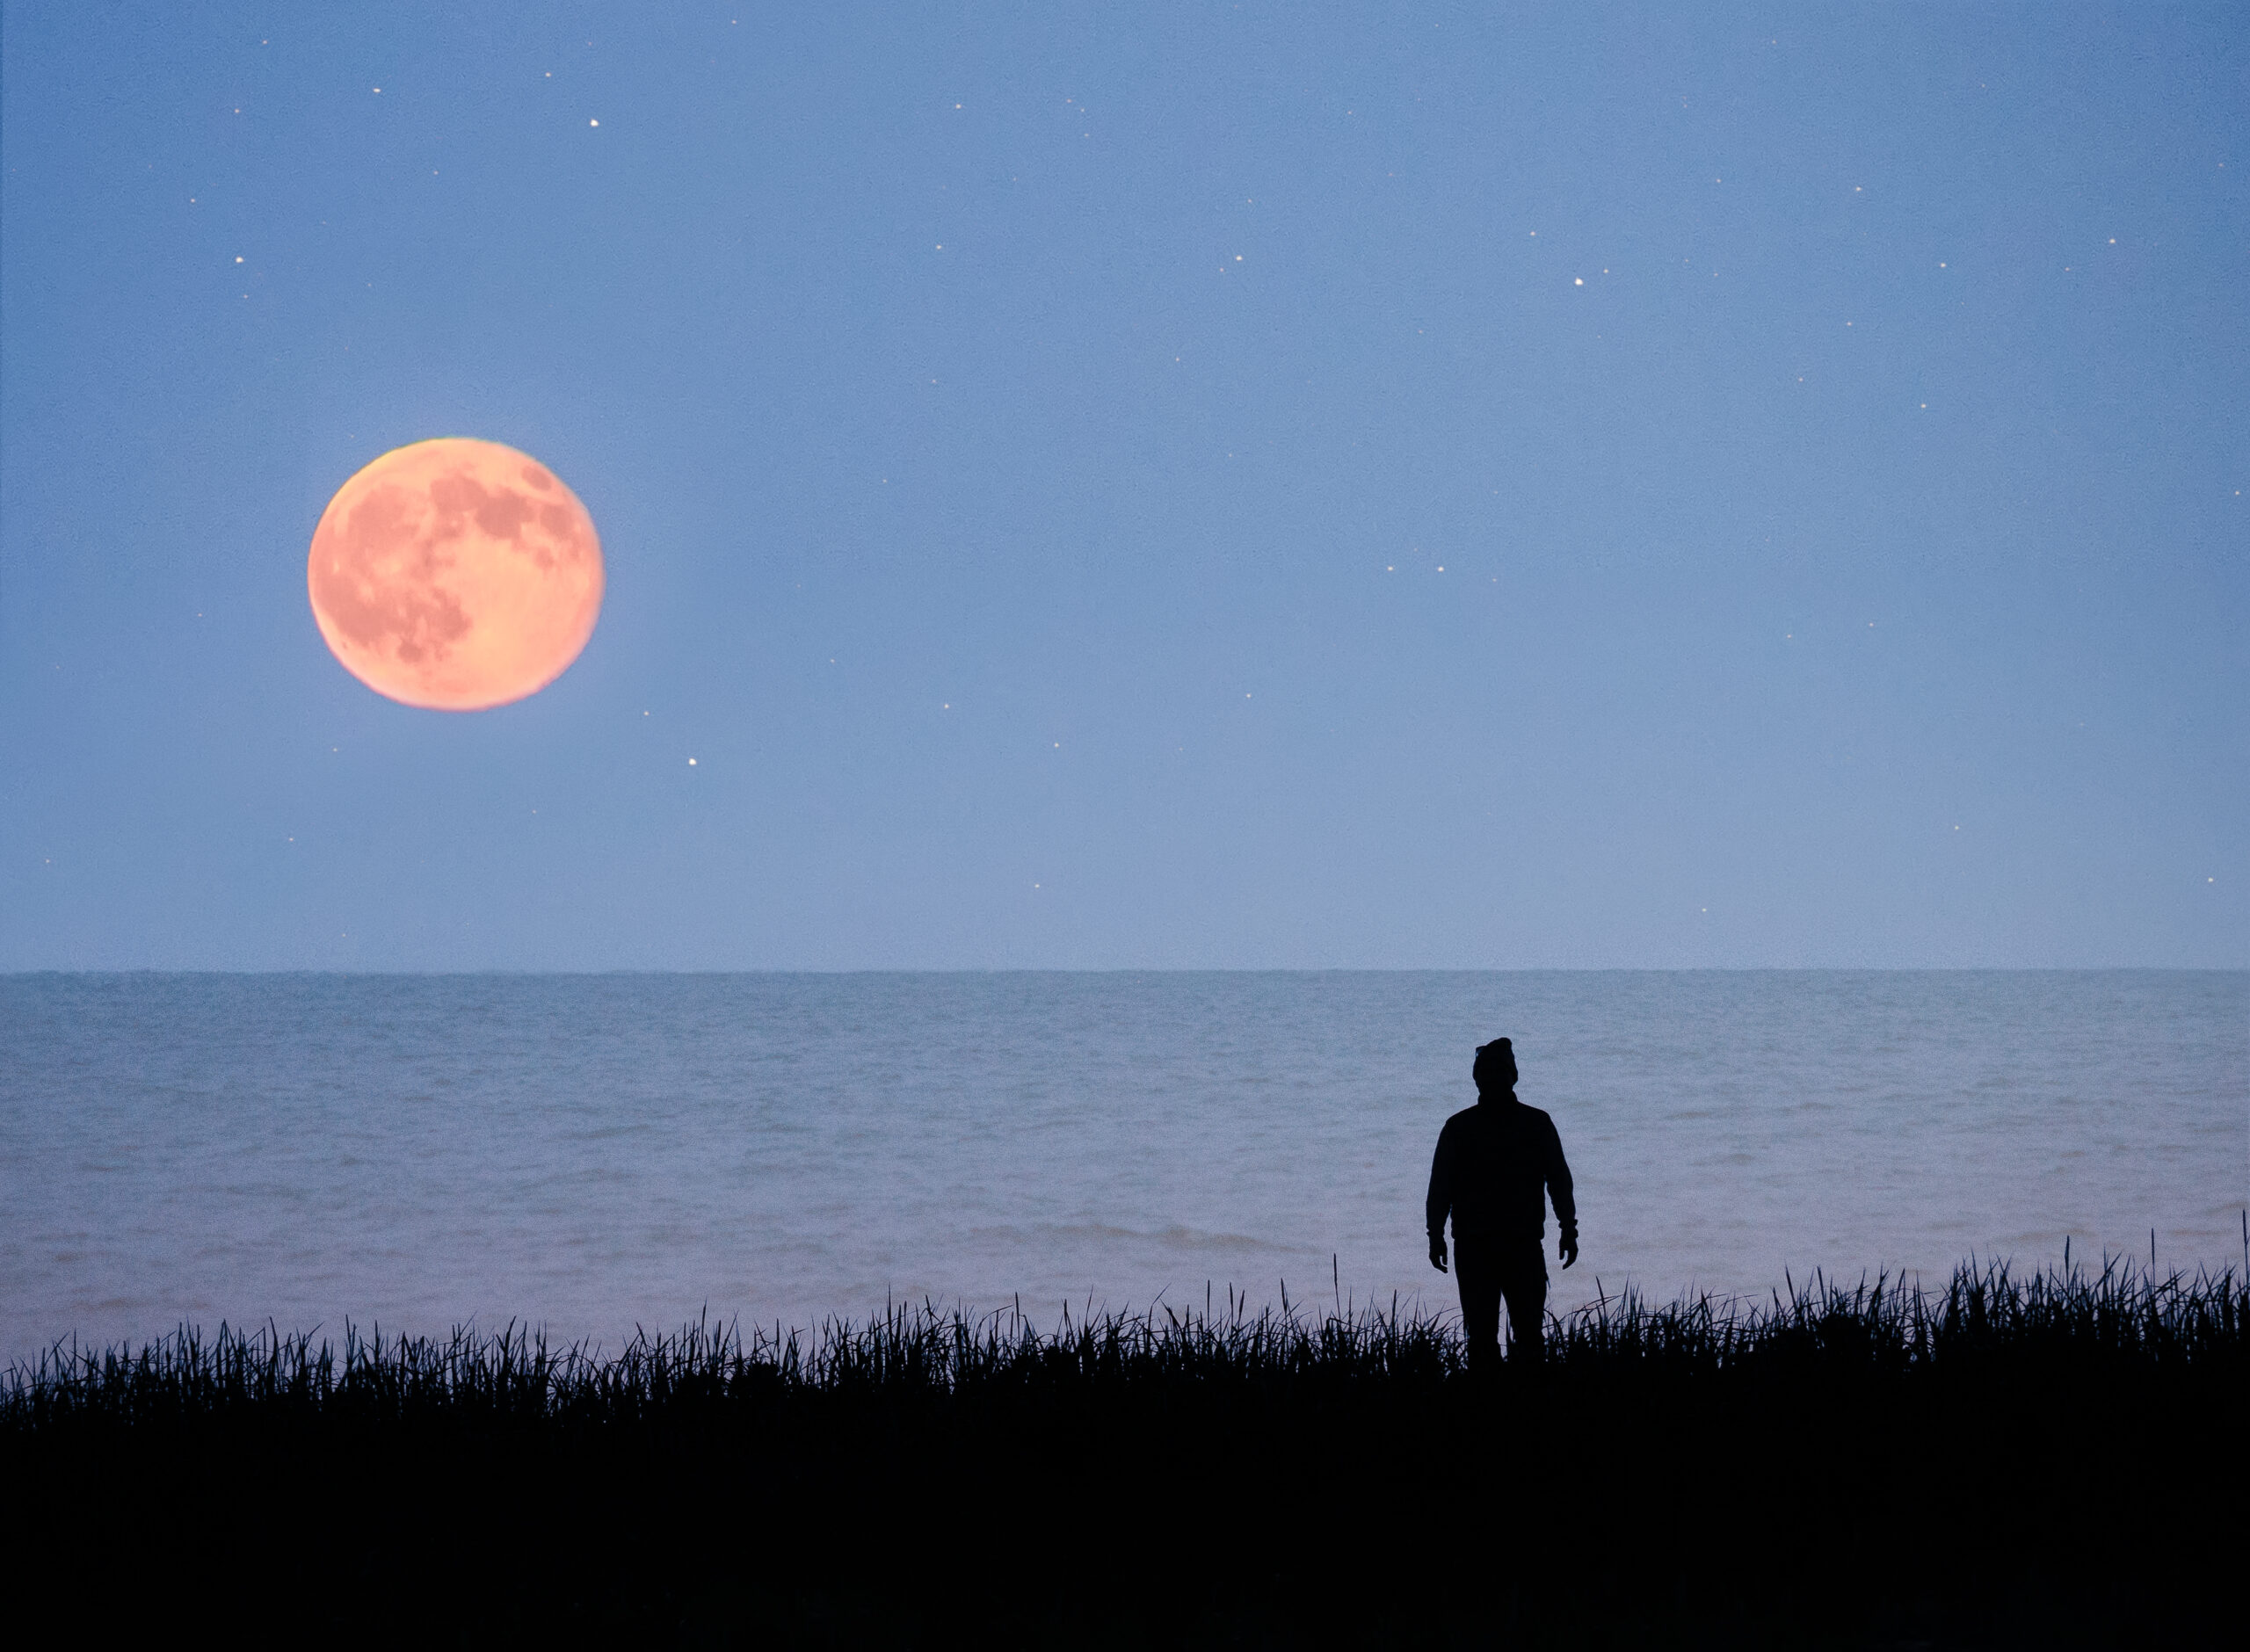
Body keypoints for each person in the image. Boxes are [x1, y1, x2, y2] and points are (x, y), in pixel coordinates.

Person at [1425, 1037, 1577, 1369]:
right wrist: (1434, 1234)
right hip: (1488, 1245)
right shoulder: (1525, 1124)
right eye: (1488, 1073)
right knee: (1497, 1338)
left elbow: (1559, 1181)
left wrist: (1569, 1228)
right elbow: (1440, 1189)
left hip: (1507, 1244)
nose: (1492, 1079)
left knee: (1511, 1338)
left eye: (1497, 1072)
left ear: (1510, 1076)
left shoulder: (1466, 1127)